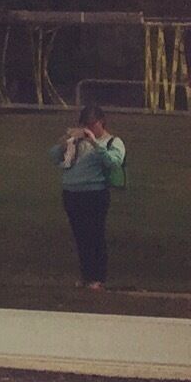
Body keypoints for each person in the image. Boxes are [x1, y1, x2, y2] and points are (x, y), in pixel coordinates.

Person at [52, 101, 127, 291]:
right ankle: (86, 275)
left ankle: (98, 277)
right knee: (81, 237)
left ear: (102, 122)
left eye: (92, 124)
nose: (89, 128)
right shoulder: (76, 142)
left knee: (95, 235)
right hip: (72, 193)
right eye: (85, 124)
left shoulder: (113, 142)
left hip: (95, 193)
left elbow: (114, 162)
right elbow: (53, 156)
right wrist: (65, 141)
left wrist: (94, 143)